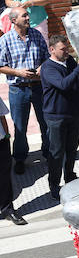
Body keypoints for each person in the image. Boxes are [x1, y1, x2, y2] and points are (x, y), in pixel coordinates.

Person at [0, 7, 50, 174]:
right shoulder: (5, 40)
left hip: (38, 87)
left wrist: (41, 69)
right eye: (24, 15)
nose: (28, 18)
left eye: (27, 15)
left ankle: (49, 153)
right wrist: (18, 72)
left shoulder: (36, 35)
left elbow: (47, 57)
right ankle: (20, 158)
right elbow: (0, 65)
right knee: (20, 126)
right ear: (13, 20)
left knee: (46, 122)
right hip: (18, 89)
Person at [40, 35, 79, 200]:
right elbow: (64, 85)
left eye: (67, 48)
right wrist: (78, 68)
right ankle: (54, 184)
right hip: (56, 116)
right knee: (57, 152)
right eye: (62, 49)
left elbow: (78, 82)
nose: (66, 51)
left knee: (72, 149)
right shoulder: (48, 68)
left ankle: (70, 176)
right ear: (52, 49)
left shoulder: (70, 61)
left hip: (74, 113)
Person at [0, 96, 26, 225]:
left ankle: (7, 209)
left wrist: (6, 136)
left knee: (4, 177)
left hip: (1, 141)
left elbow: (2, 116)